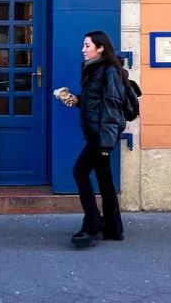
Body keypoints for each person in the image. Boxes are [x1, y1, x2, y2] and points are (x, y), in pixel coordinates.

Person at [55, 30, 127, 248]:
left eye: (87, 46)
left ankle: (92, 224)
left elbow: (112, 108)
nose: (83, 50)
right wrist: (74, 99)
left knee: (80, 171)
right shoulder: (93, 70)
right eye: (84, 45)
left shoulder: (109, 71)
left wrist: (106, 143)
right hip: (97, 133)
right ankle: (113, 228)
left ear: (100, 48)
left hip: (101, 136)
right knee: (104, 179)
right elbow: (93, 103)